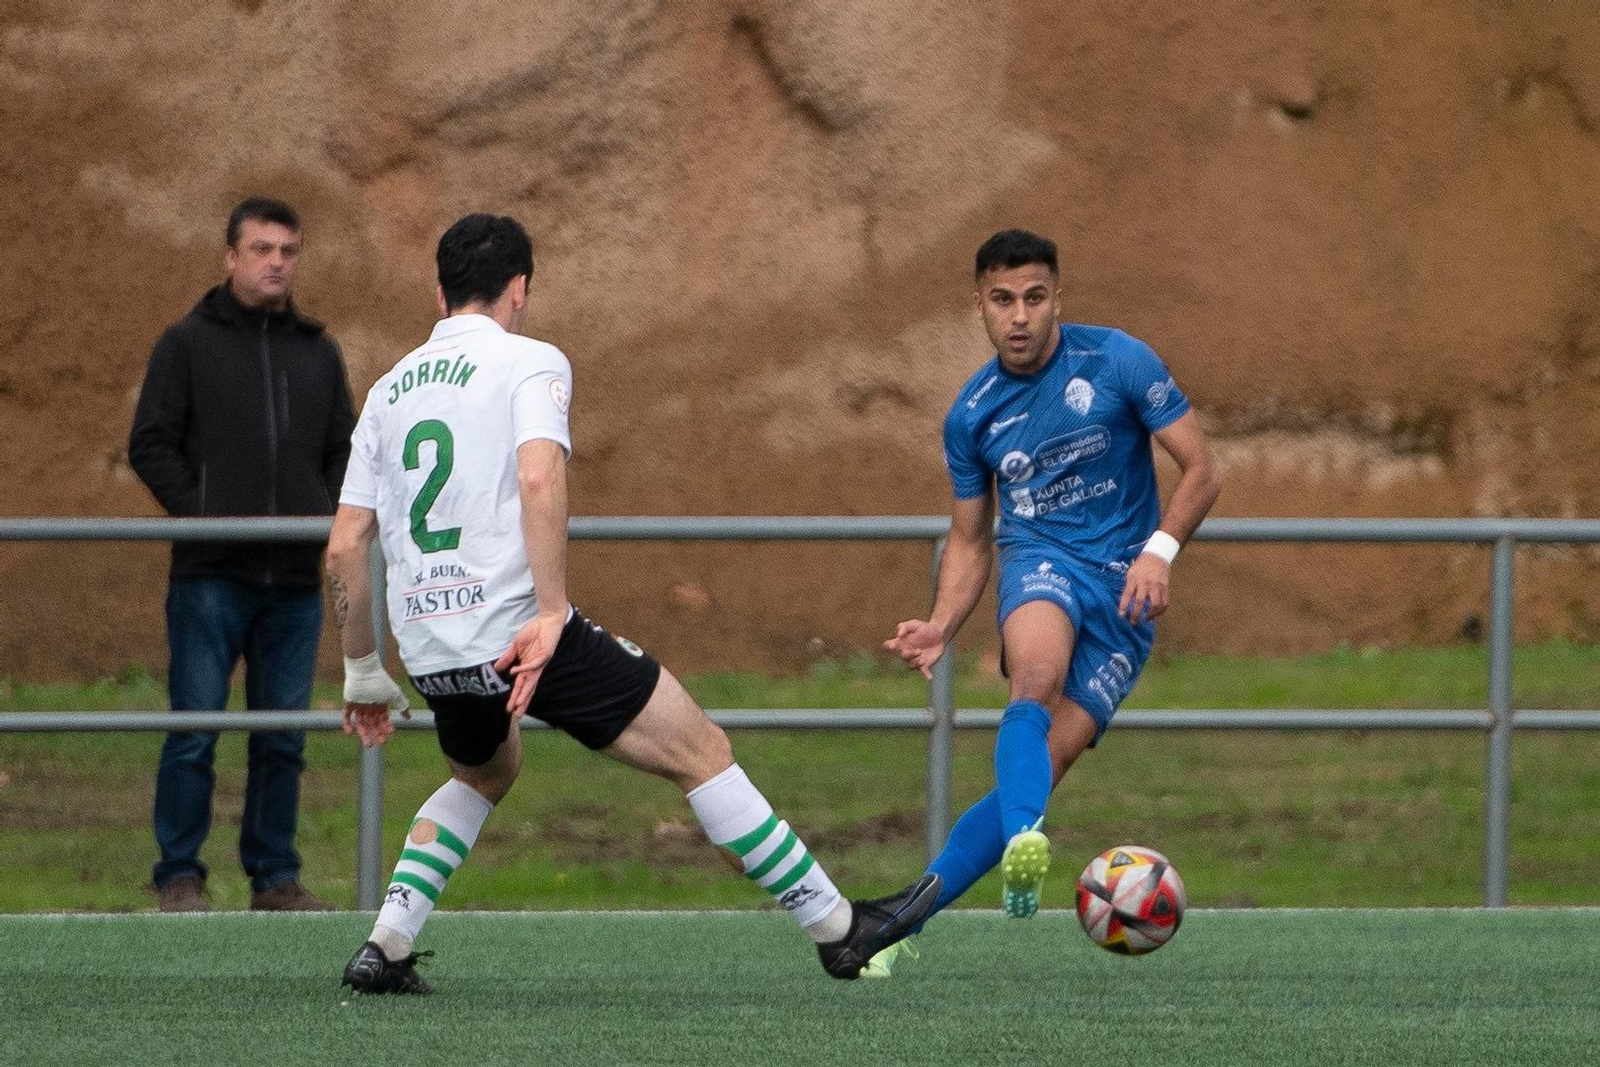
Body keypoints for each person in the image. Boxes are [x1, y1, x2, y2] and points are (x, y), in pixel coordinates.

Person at [326, 213, 938, 995]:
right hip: (516, 632)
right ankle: (839, 929)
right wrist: (552, 613)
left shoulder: (387, 389)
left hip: (431, 647)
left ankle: (385, 943)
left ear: (438, 291)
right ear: (520, 288)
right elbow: (540, 475)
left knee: (484, 773)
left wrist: (362, 668)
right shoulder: (530, 359)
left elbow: (345, 544)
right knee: (701, 749)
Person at [874, 228, 1222, 974]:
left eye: (1035, 297)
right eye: (1003, 300)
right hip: (1042, 563)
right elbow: (970, 539)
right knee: (1034, 678)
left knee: (1044, 761)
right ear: (979, 305)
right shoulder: (972, 415)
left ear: (1059, 298)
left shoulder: (1118, 360)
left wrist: (1160, 552)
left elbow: (1201, 468)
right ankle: (1026, 839)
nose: (1020, 316)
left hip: (1125, 599)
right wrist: (941, 623)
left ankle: (902, 920)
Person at [128, 196, 354, 912]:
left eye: (288, 251)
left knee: (283, 738)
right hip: (210, 579)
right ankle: (179, 874)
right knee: (194, 729)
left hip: (293, 584)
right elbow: (151, 443)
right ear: (230, 257)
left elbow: (345, 451)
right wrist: (205, 515)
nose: (276, 263)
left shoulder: (318, 353)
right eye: (261, 249)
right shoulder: (186, 345)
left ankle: (274, 876)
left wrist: (321, 513)